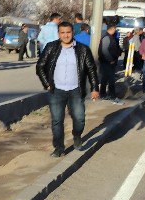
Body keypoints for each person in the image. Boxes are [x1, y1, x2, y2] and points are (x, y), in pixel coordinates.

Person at [35, 21, 100, 157]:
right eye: (63, 33)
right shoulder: (51, 47)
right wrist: (47, 83)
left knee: (79, 118)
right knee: (57, 120)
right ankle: (59, 148)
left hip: (76, 90)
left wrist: (95, 88)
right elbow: (40, 66)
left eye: (68, 32)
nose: (66, 35)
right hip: (56, 90)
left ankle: (77, 135)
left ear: (73, 33)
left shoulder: (83, 49)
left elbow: (91, 70)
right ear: (58, 34)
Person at [97, 24, 123, 103]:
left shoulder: (110, 37)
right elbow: (104, 50)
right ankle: (112, 96)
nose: (115, 32)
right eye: (115, 30)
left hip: (108, 62)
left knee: (105, 79)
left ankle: (103, 94)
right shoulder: (107, 37)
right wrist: (110, 59)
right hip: (107, 62)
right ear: (112, 29)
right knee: (111, 80)